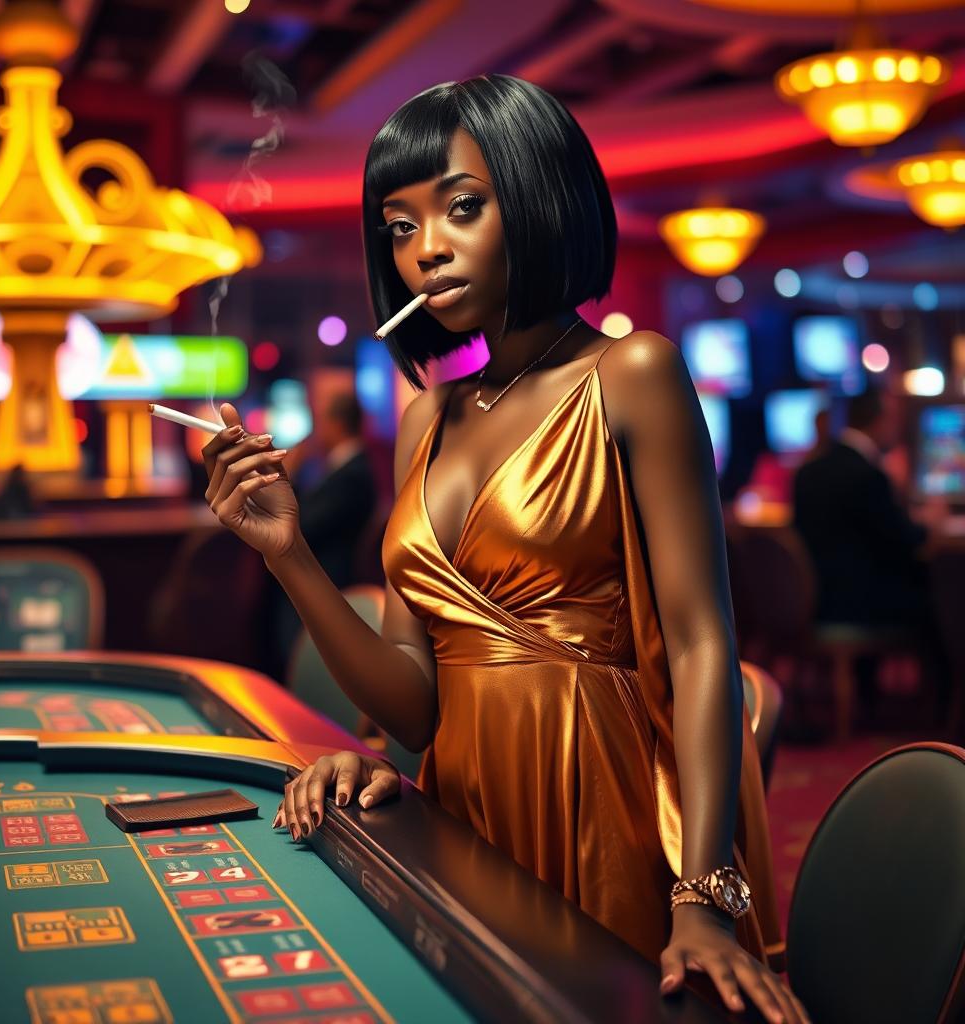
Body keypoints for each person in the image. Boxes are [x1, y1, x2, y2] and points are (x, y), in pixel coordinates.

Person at [202, 76, 808, 1023]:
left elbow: (701, 646)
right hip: (461, 819)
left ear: (536, 194)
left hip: (605, 804)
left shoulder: (631, 371)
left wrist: (701, 901)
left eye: (461, 207)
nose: (426, 249)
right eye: (399, 227)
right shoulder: (424, 419)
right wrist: (288, 554)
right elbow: (413, 695)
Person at [793, 385, 950, 718]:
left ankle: (875, 696)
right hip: (859, 606)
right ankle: (941, 709)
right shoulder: (867, 475)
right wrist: (931, 522)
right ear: (879, 421)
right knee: (943, 599)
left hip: (816, 600)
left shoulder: (807, 472)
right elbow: (904, 541)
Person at [269, 391, 379, 673]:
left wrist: (288, 477)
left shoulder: (353, 473)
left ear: (336, 424)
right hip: (326, 572)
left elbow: (301, 527)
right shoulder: (344, 467)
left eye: (321, 421)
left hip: (329, 578)